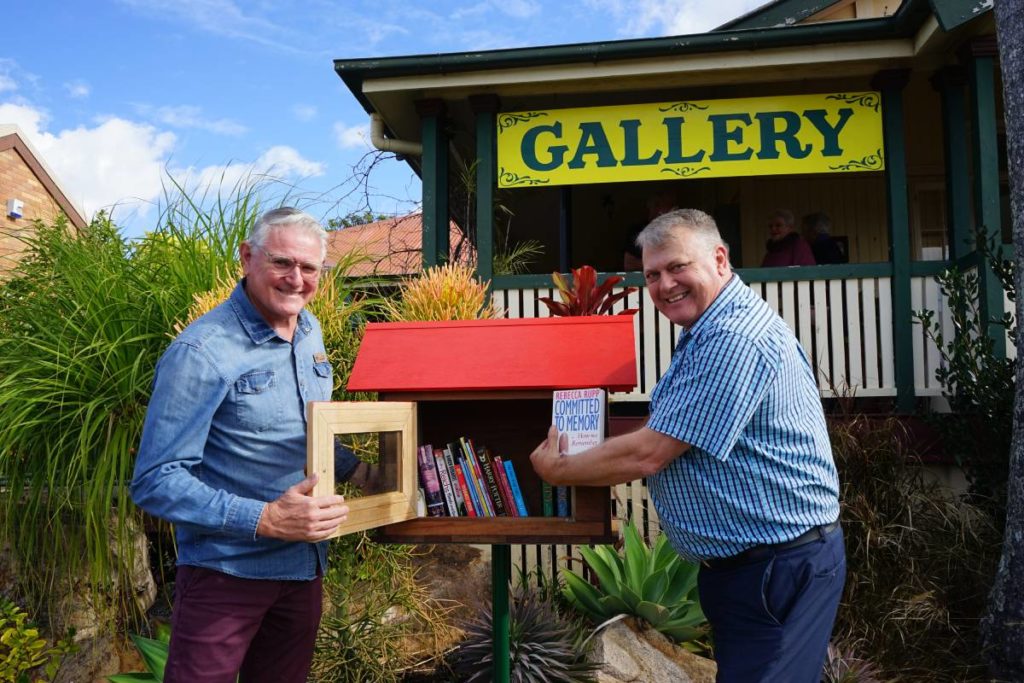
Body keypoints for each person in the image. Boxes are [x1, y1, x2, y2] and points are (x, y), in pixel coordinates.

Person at [531, 208, 844, 682]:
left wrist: (559, 470)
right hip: (751, 569)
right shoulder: (707, 331)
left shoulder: (734, 338)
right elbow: (670, 430)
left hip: (776, 567)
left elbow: (650, 452)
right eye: (652, 274)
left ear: (719, 259)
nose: (664, 285)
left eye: (678, 267)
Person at [131, 207, 374, 683]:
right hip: (227, 575)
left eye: (309, 269)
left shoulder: (310, 333)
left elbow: (303, 433)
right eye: (282, 263)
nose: (296, 280)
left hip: (303, 569)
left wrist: (365, 473)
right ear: (247, 257)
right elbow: (155, 481)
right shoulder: (201, 351)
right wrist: (265, 518)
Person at [623, 190, 676, 270]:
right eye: (657, 205)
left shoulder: (680, 231)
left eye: (669, 206)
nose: (660, 210)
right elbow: (629, 264)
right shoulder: (638, 231)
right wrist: (663, 264)